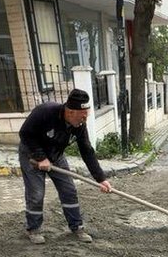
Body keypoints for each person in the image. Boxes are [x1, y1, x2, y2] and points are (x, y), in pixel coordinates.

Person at [17, 88, 112, 244]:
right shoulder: (45, 112)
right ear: (70, 112)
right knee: (37, 193)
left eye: (86, 115)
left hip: (56, 155)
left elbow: (87, 150)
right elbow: (25, 133)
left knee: (69, 190)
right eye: (82, 116)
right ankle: (33, 229)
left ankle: (77, 227)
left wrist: (100, 179)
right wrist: (40, 157)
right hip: (31, 155)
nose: (84, 119)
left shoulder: (79, 125)